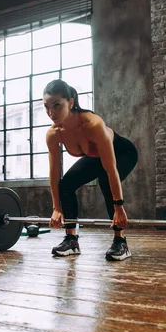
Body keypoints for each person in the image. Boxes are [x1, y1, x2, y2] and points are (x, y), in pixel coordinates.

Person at [43, 79, 138, 261]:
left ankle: (121, 242)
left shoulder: (92, 124)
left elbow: (111, 169)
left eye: (57, 105)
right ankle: (71, 240)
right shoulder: (54, 134)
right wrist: (56, 208)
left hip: (123, 153)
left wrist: (119, 206)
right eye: (46, 106)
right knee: (66, 184)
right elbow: (54, 173)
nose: (51, 112)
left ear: (70, 103)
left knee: (104, 179)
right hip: (95, 157)